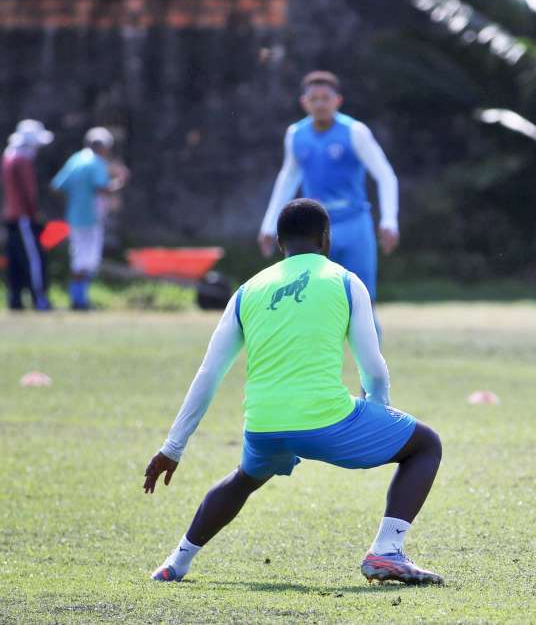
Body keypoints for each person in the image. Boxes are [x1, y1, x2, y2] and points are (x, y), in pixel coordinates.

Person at [144, 198, 443, 585]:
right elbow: (372, 366)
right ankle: (386, 551)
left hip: (264, 425)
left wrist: (173, 447)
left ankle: (176, 563)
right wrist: (379, 410)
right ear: (325, 238)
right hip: (327, 419)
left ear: (280, 243)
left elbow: (209, 373)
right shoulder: (346, 280)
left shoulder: (247, 290)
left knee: (244, 480)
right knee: (426, 445)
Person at [258, 71, 399, 307]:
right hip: (314, 229)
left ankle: (370, 343)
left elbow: (385, 175)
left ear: (338, 101)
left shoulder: (355, 132)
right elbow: (288, 178)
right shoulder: (296, 135)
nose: (320, 104)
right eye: (314, 99)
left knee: (362, 300)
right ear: (304, 103)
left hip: (354, 224)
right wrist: (269, 225)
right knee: (311, 298)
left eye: (326, 98)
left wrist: (389, 221)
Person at [49, 127, 126, 310]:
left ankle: (78, 298)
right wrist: (120, 183)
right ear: (103, 147)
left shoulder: (75, 160)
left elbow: (57, 186)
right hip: (91, 217)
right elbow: (102, 189)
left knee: (79, 258)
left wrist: (76, 198)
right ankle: (79, 300)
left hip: (75, 216)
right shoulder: (96, 163)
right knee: (88, 260)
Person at [2, 119, 53, 311]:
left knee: (14, 260)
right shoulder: (22, 159)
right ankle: (40, 299)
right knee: (34, 259)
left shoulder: (8, 155)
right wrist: (35, 213)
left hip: (11, 216)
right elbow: (28, 192)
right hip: (23, 217)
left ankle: (15, 299)